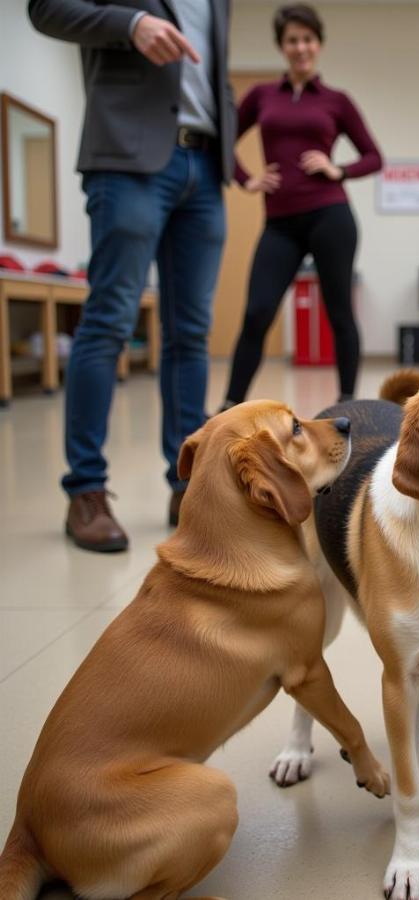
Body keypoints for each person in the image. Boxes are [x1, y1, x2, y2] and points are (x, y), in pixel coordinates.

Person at [28, 0, 236, 552]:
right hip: (128, 156)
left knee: (191, 334)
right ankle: (87, 490)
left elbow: (211, 71)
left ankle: (187, 486)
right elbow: (45, 9)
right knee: (108, 323)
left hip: (205, 164)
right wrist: (131, 23)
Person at [220, 3, 382, 411]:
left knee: (339, 313)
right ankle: (228, 405)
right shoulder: (261, 97)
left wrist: (337, 169)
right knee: (257, 312)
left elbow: (373, 157)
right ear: (282, 46)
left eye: (307, 39)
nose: (300, 47)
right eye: (292, 40)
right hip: (279, 223)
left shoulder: (336, 101)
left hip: (330, 216)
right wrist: (247, 179)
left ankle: (347, 403)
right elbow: (224, 142)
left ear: (319, 45)